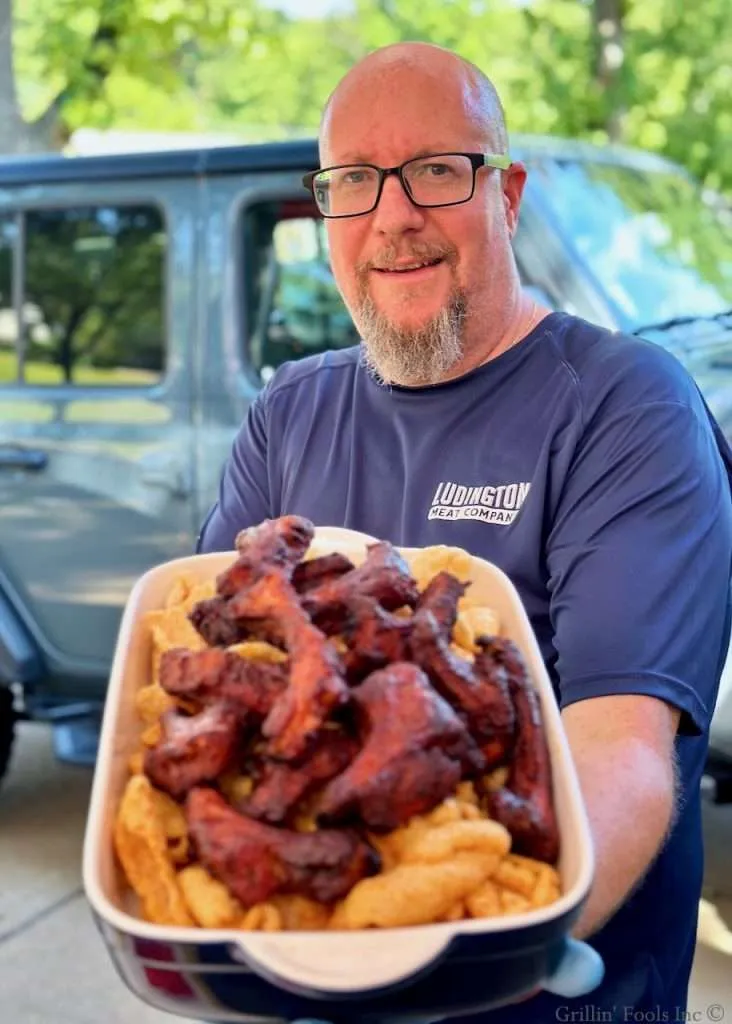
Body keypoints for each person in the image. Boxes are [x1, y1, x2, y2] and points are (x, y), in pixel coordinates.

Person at [197, 41, 732, 1023]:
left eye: (438, 171)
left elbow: (623, 747)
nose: (393, 215)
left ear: (508, 193)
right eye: (354, 181)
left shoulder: (626, 408)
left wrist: (488, 947)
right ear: (326, 214)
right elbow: (204, 668)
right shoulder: (289, 412)